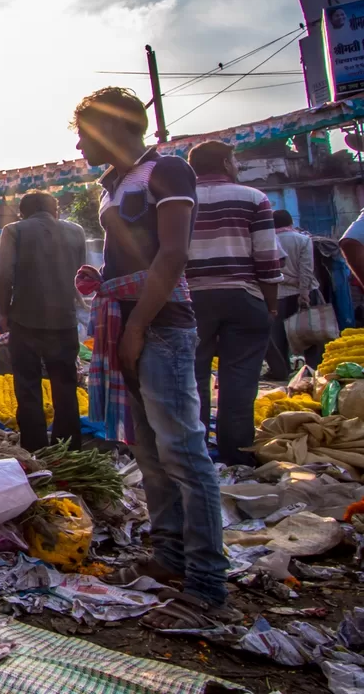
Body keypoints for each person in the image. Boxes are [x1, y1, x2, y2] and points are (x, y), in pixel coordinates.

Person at [73, 86, 232, 628]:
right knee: (149, 453)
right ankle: (168, 558)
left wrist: (138, 325)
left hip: (160, 326)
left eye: (85, 133)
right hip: (126, 320)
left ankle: (208, 584)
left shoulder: (168, 173)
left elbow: (173, 255)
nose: (78, 144)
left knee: (184, 452)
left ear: (115, 128)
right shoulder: (114, 186)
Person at [185, 141, 282, 467]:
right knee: (239, 382)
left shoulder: (179, 201)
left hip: (190, 299)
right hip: (243, 297)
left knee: (192, 381)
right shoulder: (253, 198)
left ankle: (194, 454)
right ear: (226, 163)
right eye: (235, 160)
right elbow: (267, 259)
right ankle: (237, 456)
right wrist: (270, 307)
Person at [0, 191, 87, 451]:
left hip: (25, 320)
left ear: (23, 213)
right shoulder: (76, 232)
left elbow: (2, 277)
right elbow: (80, 276)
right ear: (55, 210)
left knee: (28, 387)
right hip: (64, 322)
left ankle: (36, 450)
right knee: (66, 387)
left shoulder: (14, 231)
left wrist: (3, 312)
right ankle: (68, 450)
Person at [269, 210, 324, 375]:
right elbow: (306, 269)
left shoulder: (269, 241)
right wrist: (304, 293)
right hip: (304, 292)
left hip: (279, 294)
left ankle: (280, 370)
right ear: (290, 222)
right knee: (311, 332)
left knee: (278, 336)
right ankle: (312, 369)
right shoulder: (303, 239)